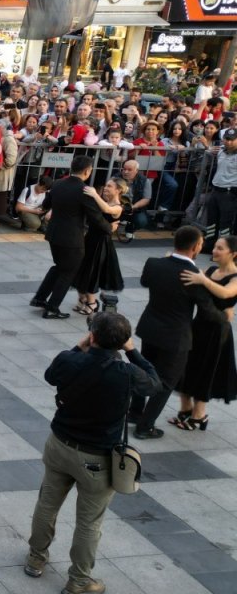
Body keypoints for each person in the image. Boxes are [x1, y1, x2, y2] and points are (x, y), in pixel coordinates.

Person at [25, 312, 161, 594]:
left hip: (60, 445)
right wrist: (133, 351)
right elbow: (154, 383)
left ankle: (35, 559)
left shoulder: (69, 360)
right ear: (122, 342)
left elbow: (51, 375)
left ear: (92, 336)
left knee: (47, 504)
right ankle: (78, 581)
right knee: (89, 523)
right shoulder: (126, 374)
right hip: (97, 459)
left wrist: (78, 347)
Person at [130, 226, 228, 439]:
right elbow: (207, 310)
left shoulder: (154, 263)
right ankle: (145, 426)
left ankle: (135, 412)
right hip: (175, 337)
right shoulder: (193, 276)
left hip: (150, 328)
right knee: (166, 381)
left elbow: (145, 281)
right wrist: (225, 319)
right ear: (196, 247)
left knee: (145, 371)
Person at [31, 155, 108, 320]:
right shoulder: (84, 190)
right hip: (72, 238)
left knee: (59, 266)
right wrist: (109, 228)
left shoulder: (58, 183)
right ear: (87, 171)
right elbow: (95, 216)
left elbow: (46, 205)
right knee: (68, 272)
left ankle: (40, 298)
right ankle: (52, 308)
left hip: (54, 234)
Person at [174, 234, 237, 431]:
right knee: (186, 366)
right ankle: (186, 410)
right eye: (215, 246)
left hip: (217, 332)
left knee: (205, 371)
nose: (214, 250)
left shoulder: (235, 277)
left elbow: (226, 293)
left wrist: (203, 280)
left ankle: (199, 415)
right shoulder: (210, 270)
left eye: (220, 248)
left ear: (233, 254)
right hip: (198, 325)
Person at [71, 179, 127, 317]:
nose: (106, 188)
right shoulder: (103, 201)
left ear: (118, 190)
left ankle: (92, 302)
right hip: (89, 239)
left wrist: (95, 195)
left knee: (92, 272)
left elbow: (107, 210)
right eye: (106, 185)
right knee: (80, 268)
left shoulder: (118, 207)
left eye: (109, 186)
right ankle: (83, 298)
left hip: (100, 243)